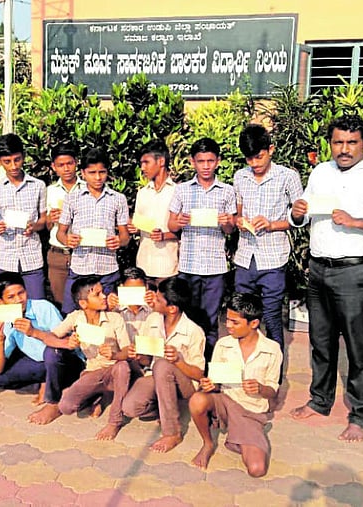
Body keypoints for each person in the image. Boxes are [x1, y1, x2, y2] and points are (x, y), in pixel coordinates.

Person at [288, 115, 363, 443]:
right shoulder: (320, 172)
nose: (344, 150)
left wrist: (361, 223)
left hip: (354, 271)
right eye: (338, 142)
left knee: (357, 346)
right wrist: (297, 215)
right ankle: (320, 400)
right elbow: (303, 214)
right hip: (317, 268)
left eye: (351, 142)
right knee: (320, 340)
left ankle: (359, 415)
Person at [189, 293, 282, 477]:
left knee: (257, 469)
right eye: (227, 320)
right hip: (224, 401)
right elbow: (216, 383)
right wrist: (209, 385)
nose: (228, 326)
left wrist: (260, 389)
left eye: (235, 322)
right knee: (197, 400)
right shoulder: (223, 344)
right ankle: (208, 443)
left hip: (250, 412)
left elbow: (272, 392)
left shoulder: (272, 349)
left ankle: (240, 433)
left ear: (253, 323)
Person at [232, 124, 304, 351]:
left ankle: (273, 377)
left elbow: (301, 217)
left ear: (271, 150)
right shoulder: (240, 176)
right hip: (244, 258)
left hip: (273, 260)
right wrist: (239, 222)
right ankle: (245, 368)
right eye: (249, 159)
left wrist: (272, 225)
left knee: (272, 317)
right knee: (242, 317)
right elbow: (238, 211)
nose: (254, 164)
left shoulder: (288, 177)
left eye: (259, 157)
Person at [167, 137, 236, 360]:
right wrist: (180, 221)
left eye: (210, 161)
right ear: (192, 162)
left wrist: (227, 221)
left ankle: (207, 366)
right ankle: (187, 364)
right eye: (201, 161)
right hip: (188, 264)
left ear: (218, 162)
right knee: (186, 317)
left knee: (210, 320)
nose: (206, 166)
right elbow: (171, 224)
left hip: (214, 266)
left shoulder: (227, 191)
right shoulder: (182, 190)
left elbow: (229, 230)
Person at [0, 272, 83, 424]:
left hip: (66, 361)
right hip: (42, 365)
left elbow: (65, 344)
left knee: (52, 352)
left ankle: (53, 403)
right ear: (1, 301)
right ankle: (50, 383)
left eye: (21, 293)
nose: (19, 300)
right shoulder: (5, 318)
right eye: (11, 297)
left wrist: (34, 332)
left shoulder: (43, 307)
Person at [122, 277, 205, 453]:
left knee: (162, 365)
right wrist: (138, 356)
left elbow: (199, 374)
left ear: (172, 308)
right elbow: (146, 361)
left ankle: (172, 432)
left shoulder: (194, 332)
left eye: (159, 299)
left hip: (185, 385)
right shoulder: (153, 320)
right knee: (129, 408)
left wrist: (178, 361)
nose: (154, 300)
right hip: (155, 376)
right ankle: (165, 407)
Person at [53, 276, 134, 440]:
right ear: (83, 303)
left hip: (115, 372)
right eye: (97, 294)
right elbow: (52, 335)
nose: (104, 296)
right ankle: (100, 396)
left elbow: (128, 351)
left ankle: (114, 420)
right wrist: (68, 342)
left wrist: (115, 355)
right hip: (92, 372)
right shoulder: (76, 318)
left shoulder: (115, 319)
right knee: (66, 407)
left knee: (123, 366)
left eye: (102, 292)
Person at [57, 147, 130, 314]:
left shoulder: (118, 199)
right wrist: (68, 240)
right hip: (80, 268)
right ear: (83, 173)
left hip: (107, 269)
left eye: (102, 172)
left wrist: (119, 241)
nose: (98, 177)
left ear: (107, 172)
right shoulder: (72, 198)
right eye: (92, 172)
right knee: (71, 314)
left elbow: (125, 235)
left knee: (107, 316)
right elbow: (60, 233)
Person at [0, 134, 48, 299]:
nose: (13, 166)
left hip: (32, 257)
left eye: (17, 160)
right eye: (7, 162)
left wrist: (33, 226)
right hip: (5, 258)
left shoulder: (38, 186)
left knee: (37, 304)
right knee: (9, 308)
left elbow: (43, 220)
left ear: (24, 156)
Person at [129, 140, 179, 280]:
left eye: (146, 162)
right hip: (144, 265)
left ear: (161, 161)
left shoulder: (178, 192)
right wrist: (133, 228)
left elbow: (185, 230)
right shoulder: (142, 193)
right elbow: (139, 226)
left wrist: (164, 235)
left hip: (169, 266)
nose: (143, 168)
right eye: (141, 164)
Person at [44, 142, 82, 307]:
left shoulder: (87, 188)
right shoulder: (50, 191)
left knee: (84, 301)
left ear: (76, 163)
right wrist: (50, 219)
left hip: (82, 252)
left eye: (69, 163)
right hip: (57, 254)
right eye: (61, 165)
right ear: (53, 167)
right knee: (60, 302)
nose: (66, 169)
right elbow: (46, 228)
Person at [106, 267, 155, 341]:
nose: (134, 294)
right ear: (121, 287)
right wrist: (108, 309)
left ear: (146, 287)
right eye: (130, 290)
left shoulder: (153, 309)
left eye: (138, 290)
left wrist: (157, 305)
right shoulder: (115, 309)